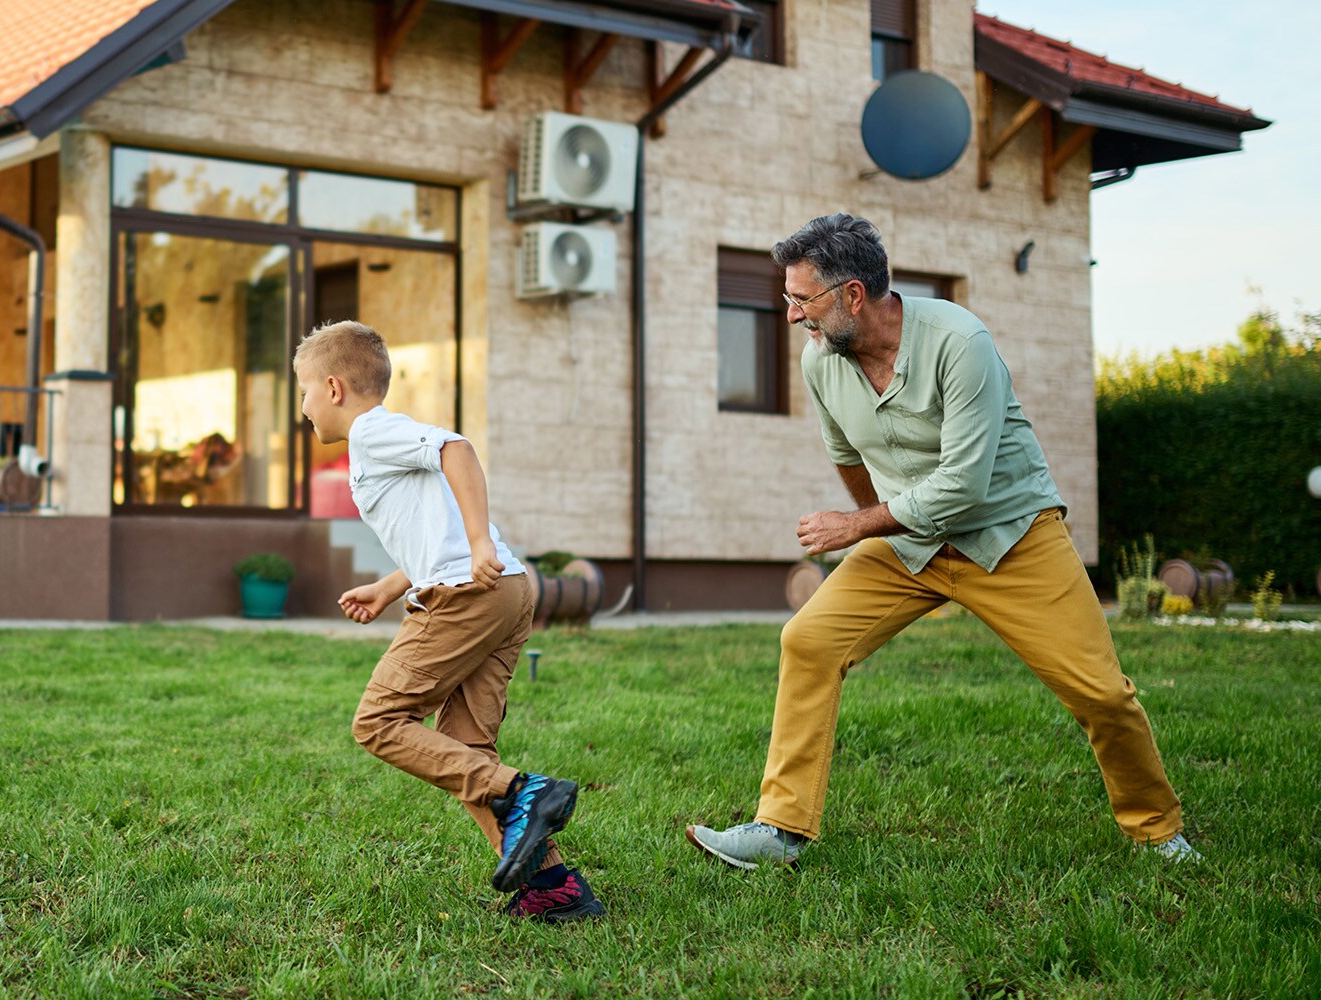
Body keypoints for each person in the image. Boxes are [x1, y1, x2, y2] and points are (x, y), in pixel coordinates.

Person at [688, 214, 1198, 868]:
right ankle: (780, 829)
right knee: (808, 639)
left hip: (1009, 535)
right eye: (786, 300)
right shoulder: (823, 362)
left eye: (801, 300)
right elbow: (846, 454)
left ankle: (1158, 831)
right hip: (909, 544)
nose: (791, 317)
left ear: (852, 295)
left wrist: (857, 526)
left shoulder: (960, 342)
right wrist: (878, 521)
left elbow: (964, 485)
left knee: (1100, 692)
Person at [297, 320, 605, 922]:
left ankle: (525, 791)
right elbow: (426, 529)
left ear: (333, 388)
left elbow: (455, 450)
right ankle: (554, 890)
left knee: (379, 722)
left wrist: (476, 544)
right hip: (507, 592)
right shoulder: (376, 443)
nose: (303, 408)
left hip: (467, 592)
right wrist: (390, 586)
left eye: (304, 392)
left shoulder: (372, 430)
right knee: (466, 748)